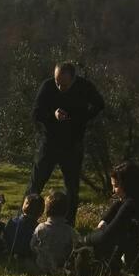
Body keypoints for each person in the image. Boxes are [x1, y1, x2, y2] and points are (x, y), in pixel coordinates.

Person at [27, 62, 105, 224]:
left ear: (73, 78)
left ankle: (68, 226)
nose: (60, 87)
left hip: (73, 144)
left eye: (64, 84)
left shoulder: (84, 87)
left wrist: (81, 119)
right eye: (57, 82)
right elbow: (36, 112)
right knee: (36, 183)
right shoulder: (48, 86)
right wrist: (52, 115)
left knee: (72, 188)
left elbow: (99, 104)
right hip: (50, 142)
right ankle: (25, 221)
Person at [31, 191, 80, 275]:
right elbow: (77, 247)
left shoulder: (40, 228)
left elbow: (32, 245)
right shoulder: (70, 231)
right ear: (66, 211)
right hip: (62, 266)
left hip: (42, 266)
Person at [3, 193, 43, 259]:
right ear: (41, 212)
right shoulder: (39, 228)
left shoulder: (12, 221)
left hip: (10, 253)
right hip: (28, 257)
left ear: (23, 207)